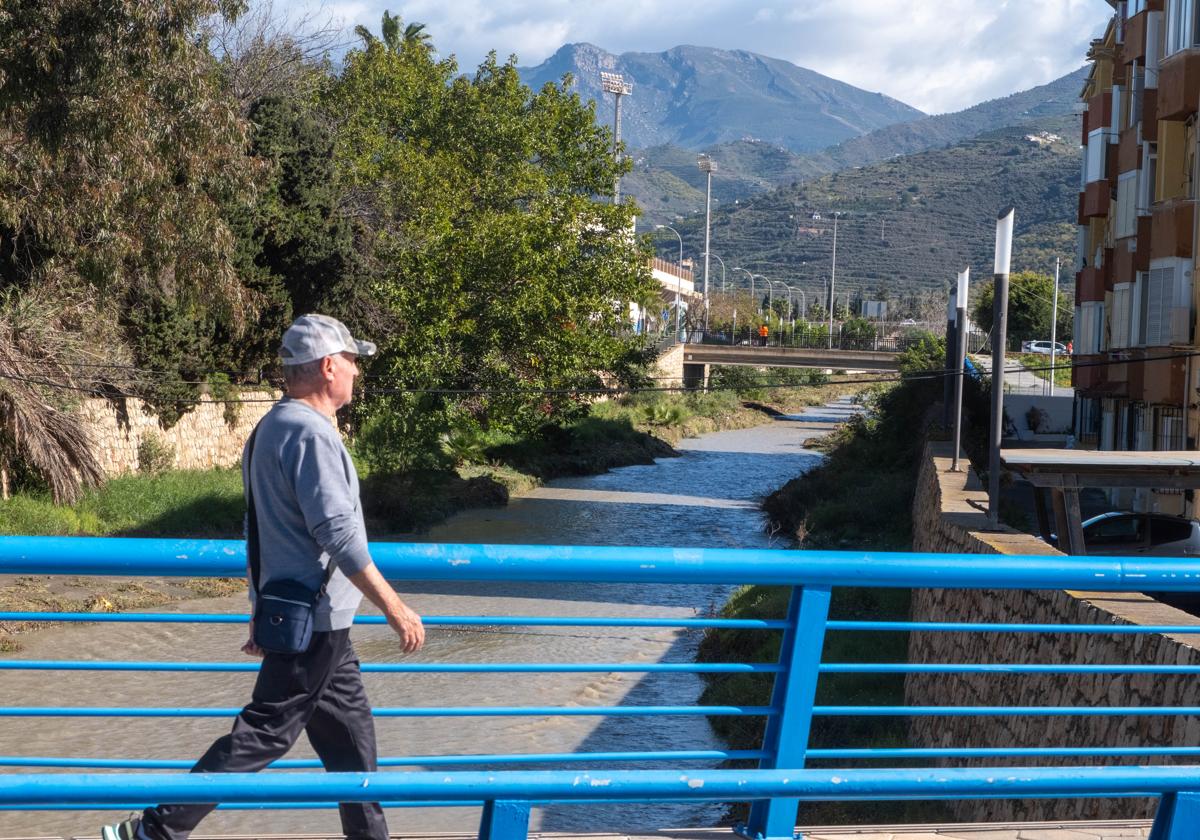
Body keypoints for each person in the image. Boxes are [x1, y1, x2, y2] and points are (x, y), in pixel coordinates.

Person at [102, 314, 425, 840]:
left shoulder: (271, 426)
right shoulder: (310, 434)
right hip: (315, 621)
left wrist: (258, 605)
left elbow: (258, 531)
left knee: (351, 741)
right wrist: (396, 606)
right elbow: (338, 533)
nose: (355, 374)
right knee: (265, 733)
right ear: (327, 367)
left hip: (306, 616)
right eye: (350, 362)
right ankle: (153, 831)